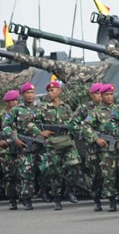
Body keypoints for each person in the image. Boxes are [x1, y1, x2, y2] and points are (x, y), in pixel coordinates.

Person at [3, 82, 48, 210]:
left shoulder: (41, 108)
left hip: (40, 144)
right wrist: (14, 138)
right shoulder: (16, 110)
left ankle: (43, 190)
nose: (30, 95)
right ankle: (27, 198)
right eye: (27, 93)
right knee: (26, 172)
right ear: (22, 95)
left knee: (47, 168)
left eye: (32, 93)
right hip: (25, 145)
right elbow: (6, 126)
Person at [38, 80, 82, 210]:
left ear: (60, 91)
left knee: (75, 165)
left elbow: (72, 122)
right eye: (49, 91)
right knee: (55, 171)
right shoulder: (43, 109)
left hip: (67, 141)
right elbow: (31, 122)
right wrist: (40, 132)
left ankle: (69, 189)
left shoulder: (66, 107)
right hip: (52, 144)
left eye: (53, 90)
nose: (50, 93)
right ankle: (57, 199)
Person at [80, 84, 119, 212]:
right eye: (106, 95)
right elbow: (85, 127)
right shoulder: (95, 112)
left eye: (111, 94)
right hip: (103, 149)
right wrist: (96, 138)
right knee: (105, 175)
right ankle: (107, 200)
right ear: (102, 96)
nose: (109, 97)